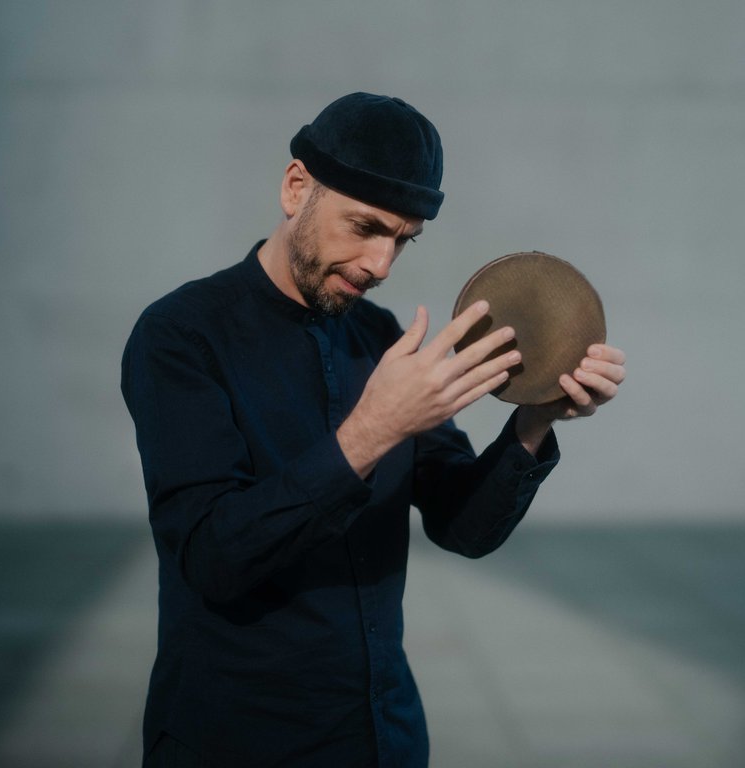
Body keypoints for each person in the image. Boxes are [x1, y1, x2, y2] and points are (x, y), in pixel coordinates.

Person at [121, 92, 626, 768]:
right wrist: (371, 432)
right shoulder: (181, 336)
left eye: (403, 239)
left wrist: (534, 419)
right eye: (365, 226)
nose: (381, 265)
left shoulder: (379, 338)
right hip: (236, 740)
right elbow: (214, 557)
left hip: (382, 736)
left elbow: (463, 527)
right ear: (296, 187)